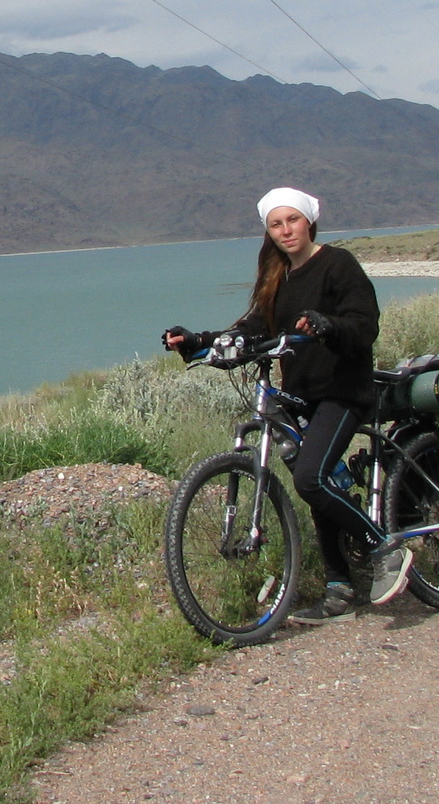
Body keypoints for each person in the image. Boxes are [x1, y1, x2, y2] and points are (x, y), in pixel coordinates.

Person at [162, 186, 410, 622]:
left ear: (309, 220)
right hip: (301, 396)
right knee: (318, 488)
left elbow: (364, 325)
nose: (285, 230)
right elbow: (254, 327)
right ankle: (338, 587)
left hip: (342, 392)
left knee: (311, 479)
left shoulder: (337, 264)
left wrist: (326, 325)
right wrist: (200, 341)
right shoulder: (277, 277)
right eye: (276, 224)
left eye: (292, 220)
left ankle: (384, 547)